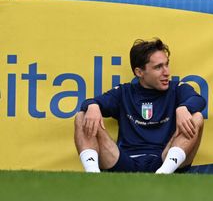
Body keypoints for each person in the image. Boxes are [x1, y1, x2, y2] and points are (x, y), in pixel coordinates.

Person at [73, 38, 206, 174]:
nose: (166, 72)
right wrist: (93, 106)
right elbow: (89, 103)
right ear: (139, 72)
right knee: (82, 116)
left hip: (164, 159)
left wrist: (183, 108)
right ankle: (93, 174)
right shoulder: (124, 92)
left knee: (197, 117)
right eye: (158, 67)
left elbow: (198, 100)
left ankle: (164, 174)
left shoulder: (177, 89)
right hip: (124, 161)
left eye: (166, 65)